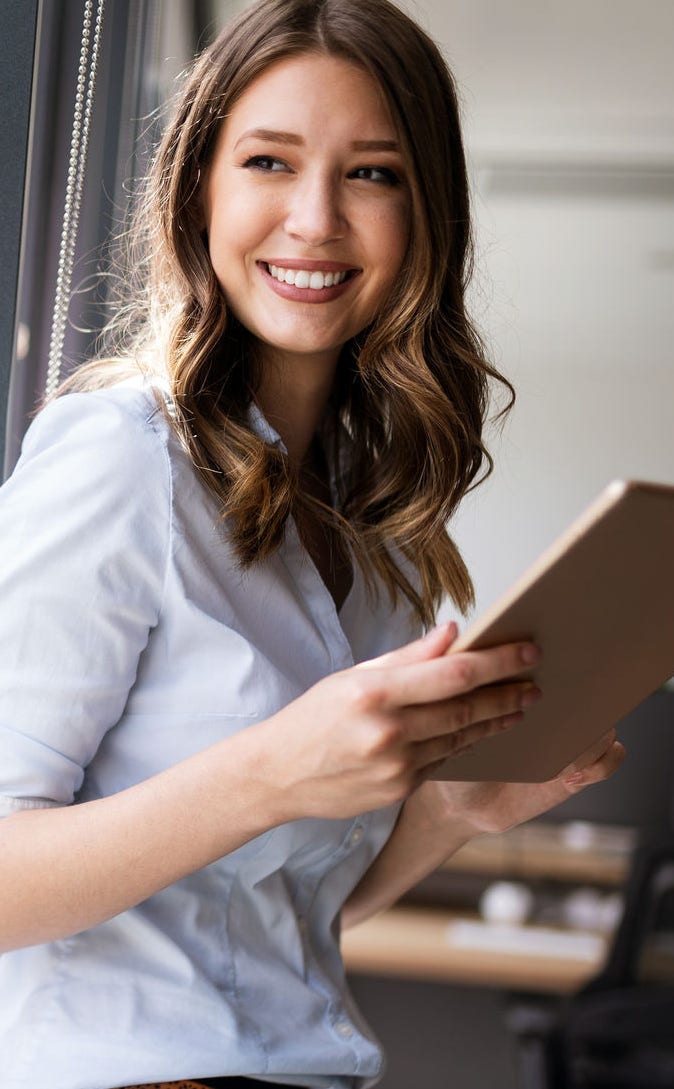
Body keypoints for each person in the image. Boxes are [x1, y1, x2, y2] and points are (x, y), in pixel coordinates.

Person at [0, 1, 625, 1087]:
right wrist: (272, 773)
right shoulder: (117, 457)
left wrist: (446, 813)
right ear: (199, 192)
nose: (315, 220)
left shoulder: (372, 533)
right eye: (268, 162)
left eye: (372, 174)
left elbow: (273, 926)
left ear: (426, 214)